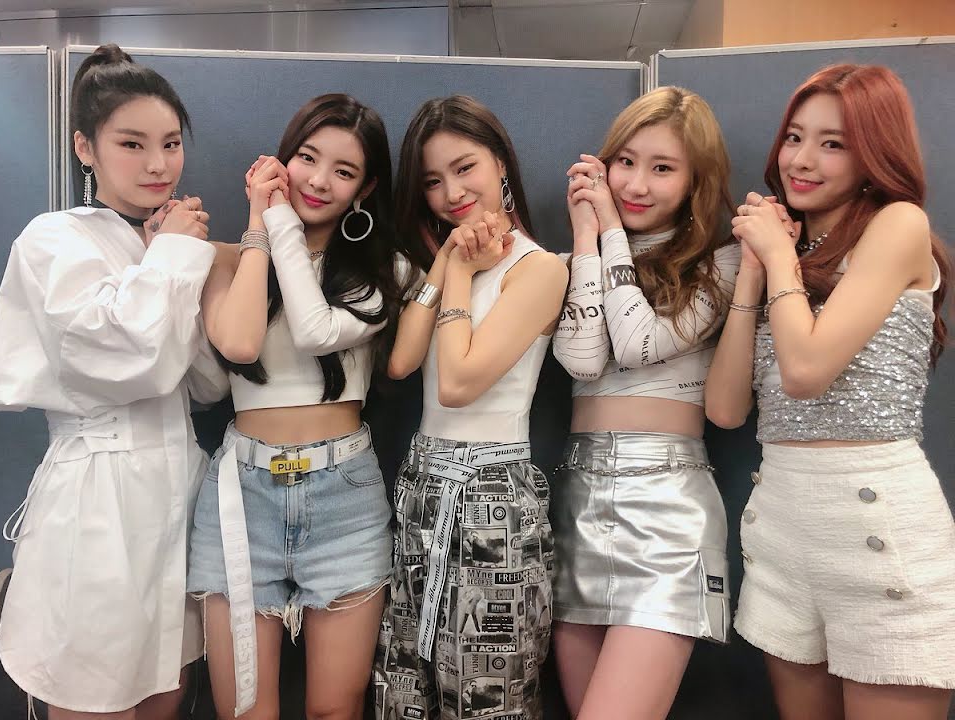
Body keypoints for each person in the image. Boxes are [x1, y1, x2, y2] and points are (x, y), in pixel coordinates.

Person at [707, 63, 955, 720]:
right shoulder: (788, 253)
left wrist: (777, 256)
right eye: (794, 137)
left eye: (833, 143)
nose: (802, 160)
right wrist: (755, 274)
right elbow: (726, 409)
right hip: (784, 523)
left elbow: (807, 370)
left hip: (876, 523)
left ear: (875, 151)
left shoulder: (897, 224)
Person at [0, 43, 228, 718]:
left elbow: (206, 384)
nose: (158, 164)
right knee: (92, 690)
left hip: (178, 491)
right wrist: (174, 255)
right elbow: (127, 359)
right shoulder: (53, 239)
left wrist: (180, 260)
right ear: (85, 147)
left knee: (166, 686)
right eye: (132, 143)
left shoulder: (164, 244)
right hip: (96, 499)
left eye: (171, 144)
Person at [187, 94, 407, 720]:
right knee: (245, 710)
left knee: (334, 710)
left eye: (344, 170)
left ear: (365, 189)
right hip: (241, 495)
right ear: (283, 159)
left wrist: (273, 220)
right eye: (307, 158)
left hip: (344, 497)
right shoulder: (227, 261)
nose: (318, 180)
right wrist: (256, 228)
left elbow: (315, 329)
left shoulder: (383, 272)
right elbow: (231, 356)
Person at [372, 95, 567, 720]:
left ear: (501, 164)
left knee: (488, 696)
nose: (452, 193)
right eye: (432, 180)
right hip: (422, 489)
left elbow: (458, 383)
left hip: (494, 496)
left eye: (465, 168)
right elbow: (401, 363)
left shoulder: (538, 268)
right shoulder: (448, 262)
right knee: (406, 689)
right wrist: (449, 261)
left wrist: (458, 273)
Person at [551, 86, 742, 720]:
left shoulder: (722, 264)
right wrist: (586, 237)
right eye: (625, 162)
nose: (635, 184)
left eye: (662, 168)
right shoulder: (578, 257)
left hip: (667, 507)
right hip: (578, 502)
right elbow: (583, 359)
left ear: (695, 182)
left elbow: (636, 345)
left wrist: (606, 227)